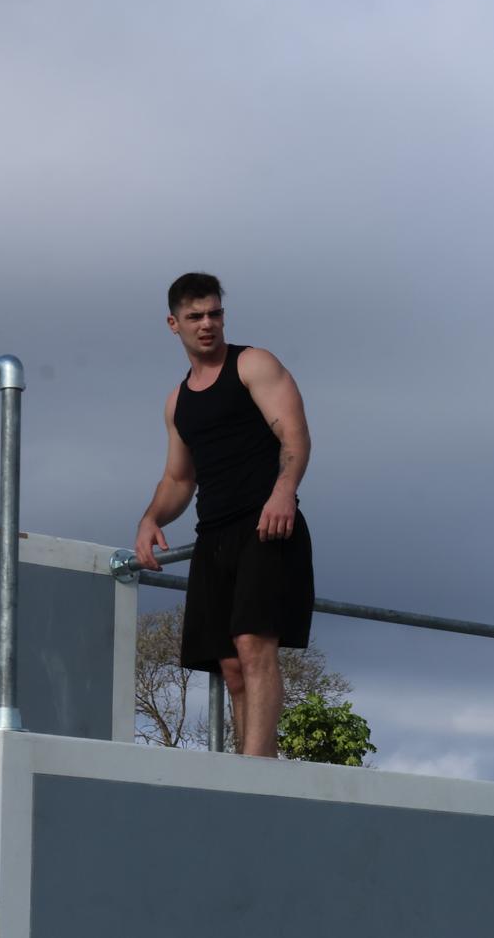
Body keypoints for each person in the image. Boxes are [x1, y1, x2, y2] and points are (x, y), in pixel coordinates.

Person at [131, 272, 315, 757]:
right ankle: (249, 767)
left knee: (254, 645)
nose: (207, 324)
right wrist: (151, 520)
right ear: (175, 324)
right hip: (214, 536)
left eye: (214, 313)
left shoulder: (253, 364)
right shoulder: (178, 402)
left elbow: (294, 436)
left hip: (267, 525)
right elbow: (178, 480)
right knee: (230, 666)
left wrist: (284, 492)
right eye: (195, 316)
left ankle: (255, 774)